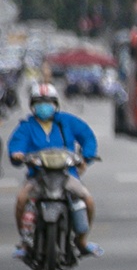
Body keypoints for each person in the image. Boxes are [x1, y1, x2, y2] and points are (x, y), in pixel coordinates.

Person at [8, 81, 100, 257]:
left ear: (55, 104)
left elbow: (87, 136)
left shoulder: (67, 122)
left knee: (87, 200)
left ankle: (82, 240)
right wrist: (17, 154)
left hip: (66, 176)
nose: (44, 106)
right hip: (38, 177)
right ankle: (25, 242)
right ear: (32, 105)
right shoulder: (26, 126)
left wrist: (86, 157)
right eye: (39, 102)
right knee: (21, 200)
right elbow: (16, 145)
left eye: (48, 102)